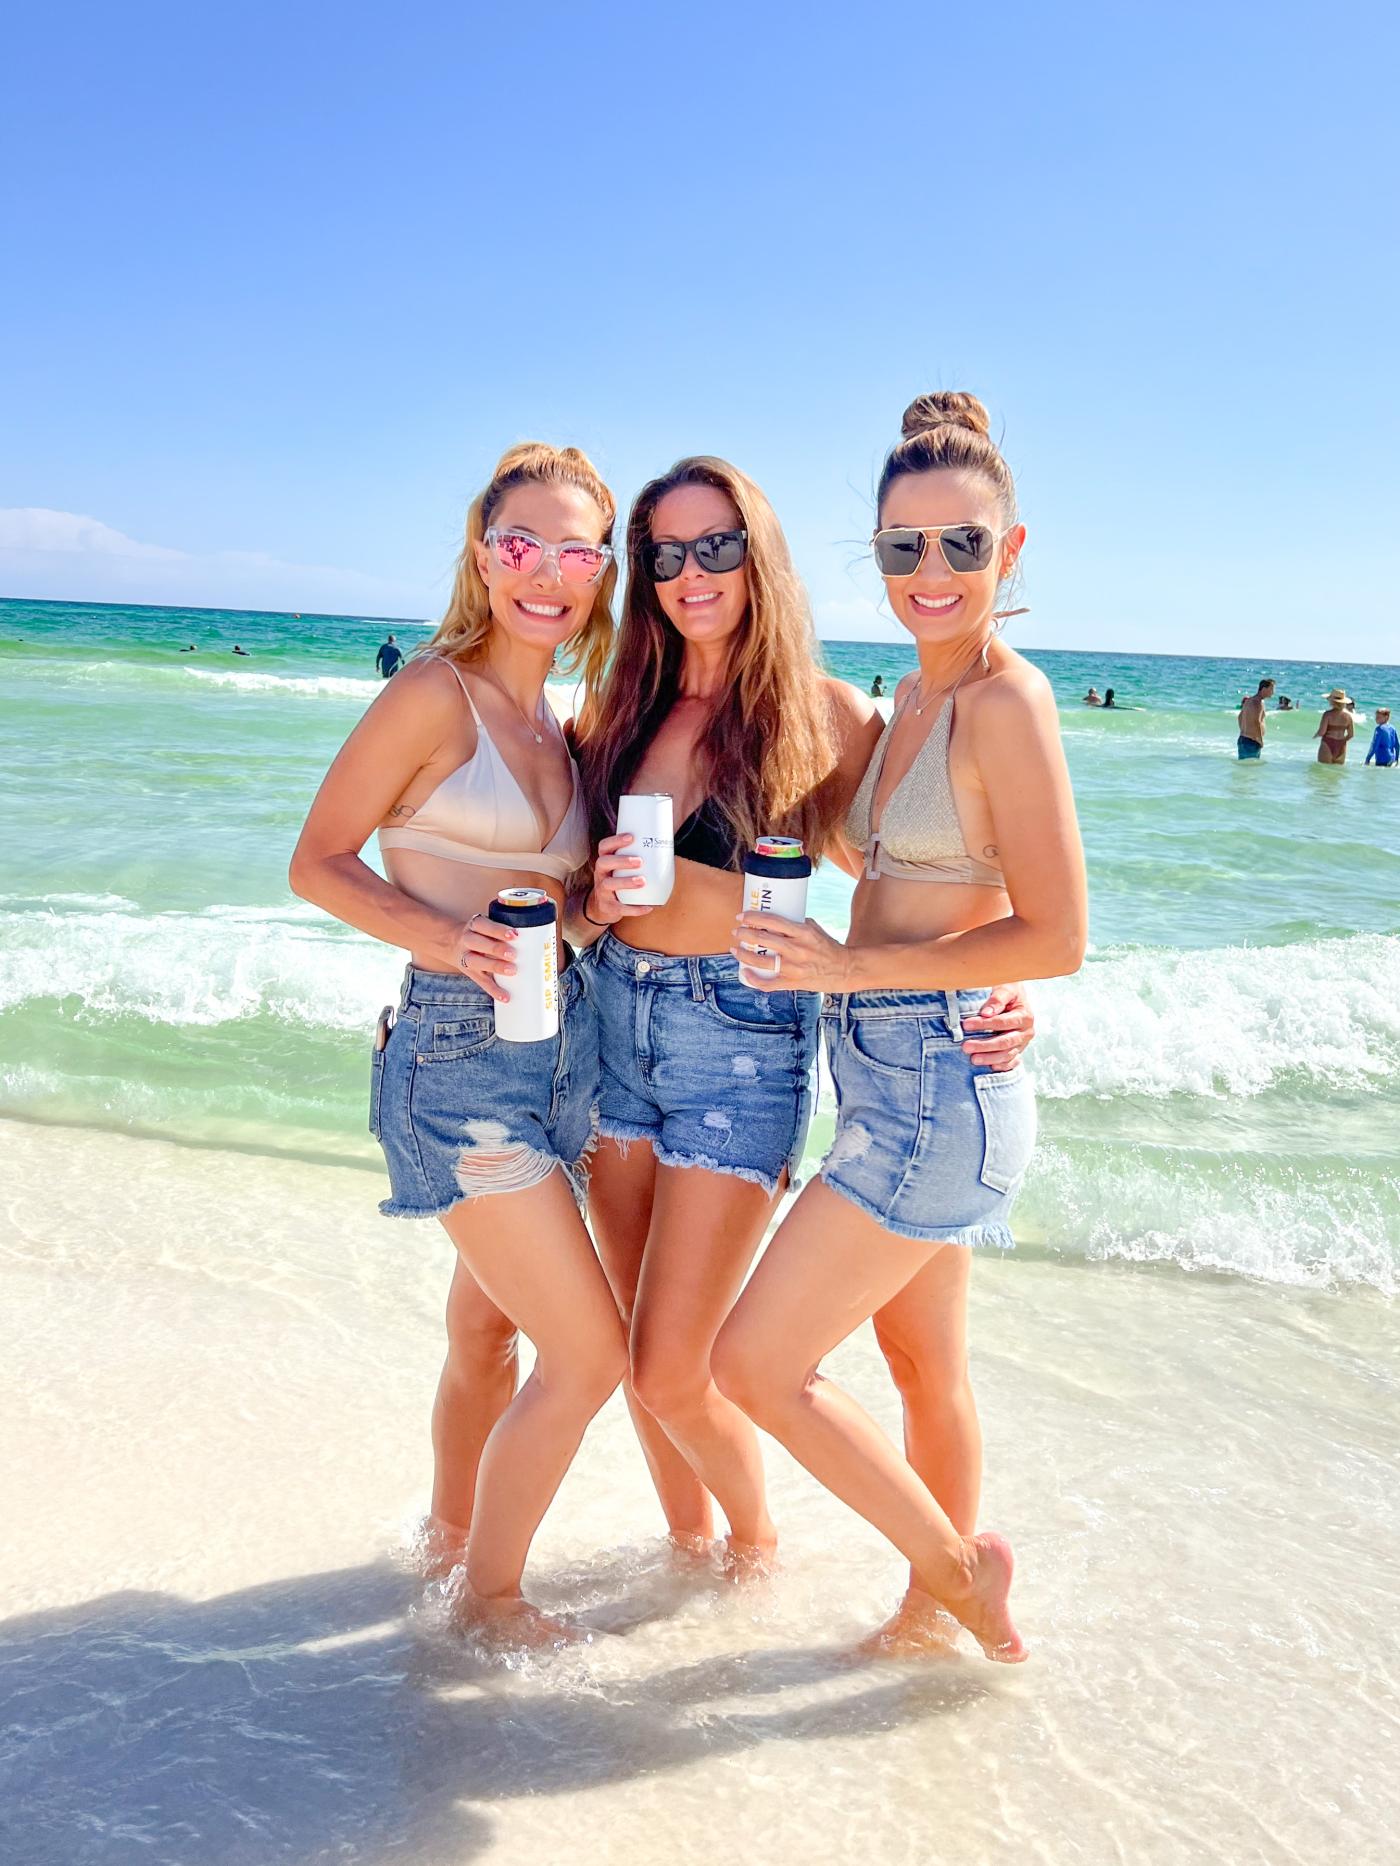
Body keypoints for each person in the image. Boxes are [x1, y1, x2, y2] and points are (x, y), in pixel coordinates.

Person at [573, 456, 1037, 1575]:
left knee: (685, 1365)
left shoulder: (819, 716)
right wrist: (586, 906)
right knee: (645, 1358)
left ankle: (756, 1546)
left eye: (717, 546)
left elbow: (936, 851)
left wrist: (1005, 988)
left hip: (740, 1043)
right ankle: (700, 1564)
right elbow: (564, 898)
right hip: (611, 1030)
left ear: (757, 557)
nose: (692, 573)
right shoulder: (614, 713)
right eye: (667, 554)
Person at [714, 391, 1087, 1664]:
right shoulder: (902, 707)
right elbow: (886, 864)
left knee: (750, 1367)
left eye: (961, 546)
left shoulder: (1004, 704)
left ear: (1011, 550)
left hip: (937, 1089)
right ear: (872, 555)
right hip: (893, 1081)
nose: (931, 572)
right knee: (926, 1369)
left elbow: (1055, 932)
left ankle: (957, 1573)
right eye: (902, 547)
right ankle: (930, 1618)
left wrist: (846, 965)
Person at [289, 443, 627, 1645]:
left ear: (601, 570)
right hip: (457, 1061)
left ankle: (444, 1546)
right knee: (590, 1355)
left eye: (577, 550)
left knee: (488, 1327)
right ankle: (488, 1602)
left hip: (562, 1053)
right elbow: (317, 860)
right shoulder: (433, 693)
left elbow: (558, 916)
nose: (547, 571)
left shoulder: (563, 721)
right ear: (483, 556)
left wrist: (602, 901)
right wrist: (443, 940)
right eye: (520, 544)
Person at [1237, 678, 1276, 758]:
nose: (1273, 692)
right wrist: (1260, 740)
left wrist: (1244, 731)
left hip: (1243, 739)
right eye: (1271, 689)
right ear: (1264, 689)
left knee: (1245, 768)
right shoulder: (1259, 702)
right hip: (1252, 742)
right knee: (1251, 768)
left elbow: (1240, 717)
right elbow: (1256, 721)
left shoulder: (1249, 700)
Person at [1316, 689, 1355, 764]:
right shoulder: (1348, 717)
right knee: (1337, 772)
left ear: (1332, 701)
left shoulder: (1327, 715)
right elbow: (1351, 735)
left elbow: (1322, 732)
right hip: (1341, 745)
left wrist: (1316, 735)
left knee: (1323, 771)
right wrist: (1342, 741)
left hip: (1327, 743)